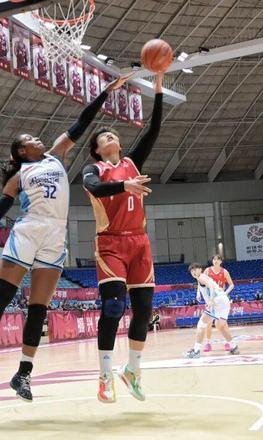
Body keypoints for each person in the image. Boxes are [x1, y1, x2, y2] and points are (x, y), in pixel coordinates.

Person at [0, 74, 133, 402]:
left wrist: (106, 92)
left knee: (38, 309)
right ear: (23, 150)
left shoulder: (56, 154)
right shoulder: (19, 175)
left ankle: (23, 374)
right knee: (1, 298)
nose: (39, 139)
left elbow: (82, 122)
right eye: (32, 139)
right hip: (28, 231)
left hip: (55, 236)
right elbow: (0, 209)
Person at [81, 71, 164, 403]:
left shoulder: (132, 162)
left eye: (112, 134)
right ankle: (104, 376)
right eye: (103, 137)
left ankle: (132, 370)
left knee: (144, 310)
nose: (109, 136)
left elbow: (154, 130)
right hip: (111, 242)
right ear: (97, 150)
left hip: (139, 242)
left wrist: (158, 90)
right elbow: (94, 188)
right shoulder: (94, 170)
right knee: (114, 307)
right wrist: (124, 186)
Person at [184, 263, 239, 359]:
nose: (193, 272)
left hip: (217, 302)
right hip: (224, 301)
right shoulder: (202, 277)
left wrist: (211, 300)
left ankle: (196, 351)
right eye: (192, 271)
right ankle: (234, 347)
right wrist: (199, 293)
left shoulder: (201, 277)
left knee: (201, 324)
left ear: (200, 269)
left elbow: (211, 287)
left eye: (195, 270)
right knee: (220, 326)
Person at [201, 255, 234, 352]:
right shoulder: (207, 271)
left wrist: (225, 293)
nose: (215, 261)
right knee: (209, 322)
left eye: (218, 259)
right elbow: (201, 283)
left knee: (223, 323)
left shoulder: (224, 272)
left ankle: (227, 342)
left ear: (221, 261)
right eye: (214, 259)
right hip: (210, 299)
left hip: (220, 299)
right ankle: (208, 343)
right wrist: (199, 293)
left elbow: (231, 284)